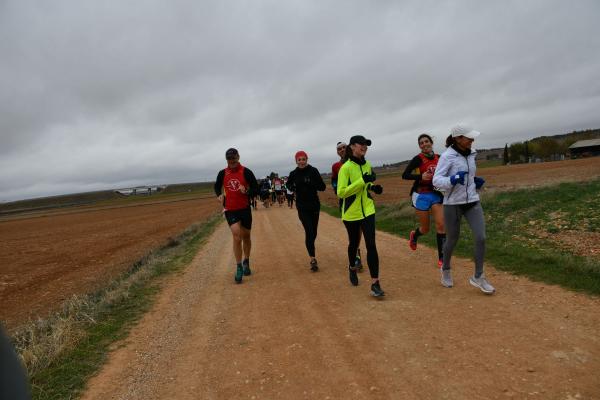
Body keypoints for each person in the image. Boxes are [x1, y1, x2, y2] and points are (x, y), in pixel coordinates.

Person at [432, 124, 495, 294]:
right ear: (458, 139)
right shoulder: (447, 157)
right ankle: (445, 269)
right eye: (469, 137)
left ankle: (478, 276)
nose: (472, 140)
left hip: (473, 201)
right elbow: (436, 181)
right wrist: (452, 179)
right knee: (452, 239)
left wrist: (475, 182)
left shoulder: (472, 154)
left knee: (481, 237)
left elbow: (469, 176)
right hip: (453, 204)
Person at [337, 135, 385, 297]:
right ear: (352, 147)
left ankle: (375, 283)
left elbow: (365, 183)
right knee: (354, 243)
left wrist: (373, 187)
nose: (364, 147)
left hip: (368, 210)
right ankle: (352, 267)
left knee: (371, 244)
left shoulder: (367, 164)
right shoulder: (346, 168)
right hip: (351, 212)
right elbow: (341, 192)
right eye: (361, 144)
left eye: (366, 145)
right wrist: (361, 182)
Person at [214, 148, 259, 284]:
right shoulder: (222, 173)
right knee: (236, 235)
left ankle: (246, 260)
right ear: (226, 160)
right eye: (229, 159)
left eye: (233, 158)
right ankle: (239, 266)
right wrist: (219, 195)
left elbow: (255, 188)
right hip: (230, 209)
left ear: (238, 157)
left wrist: (246, 191)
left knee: (246, 236)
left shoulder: (246, 172)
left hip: (244, 208)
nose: (231, 161)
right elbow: (217, 186)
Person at [402, 133, 446, 268]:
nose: (424, 144)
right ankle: (415, 235)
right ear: (420, 146)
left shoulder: (440, 157)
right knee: (425, 229)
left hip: (435, 194)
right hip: (421, 195)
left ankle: (442, 259)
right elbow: (405, 175)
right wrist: (420, 176)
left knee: (441, 226)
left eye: (426, 141)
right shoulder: (418, 159)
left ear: (431, 142)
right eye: (421, 143)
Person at [287, 150, 326, 272]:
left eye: (303, 159)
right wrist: (292, 187)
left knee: (313, 232)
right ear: (296, 161)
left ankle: (311, 249)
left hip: (314, 205)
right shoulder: (293, 173)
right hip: (302, 206)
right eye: (299, 159)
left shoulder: (313, 171)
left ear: (307, 160)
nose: (302, 161)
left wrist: (312, 183)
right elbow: (288, 185)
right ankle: (313, 258)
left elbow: (322, 187)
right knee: (309, 230)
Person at [332, 141, 363, 271]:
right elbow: (334, 182)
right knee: (352, 230)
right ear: (337, 152)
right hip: (346, 201)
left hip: (361, 200)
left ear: (349, 148)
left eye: (344, 147)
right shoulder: (336, 166)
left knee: (360, 229)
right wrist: (338, 191)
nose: (342, 150)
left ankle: (357, 251)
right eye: (339, 149)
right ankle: (355, 254)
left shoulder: (358, 160)